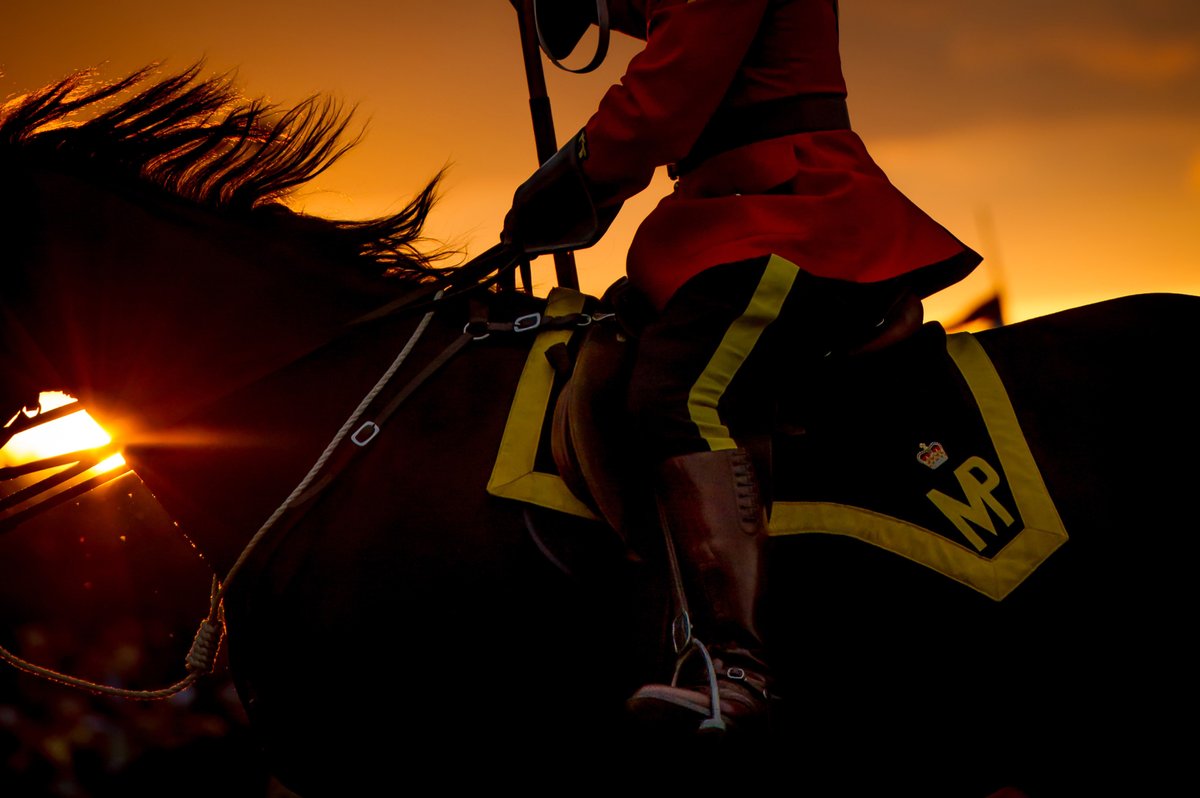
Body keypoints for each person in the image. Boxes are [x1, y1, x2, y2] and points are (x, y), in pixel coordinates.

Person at [502, 0, 981, 736]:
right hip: (728, 213)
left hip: (791, 209)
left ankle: (732, 665)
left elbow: (670, 95)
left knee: (679, 395)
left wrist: (575, 175)